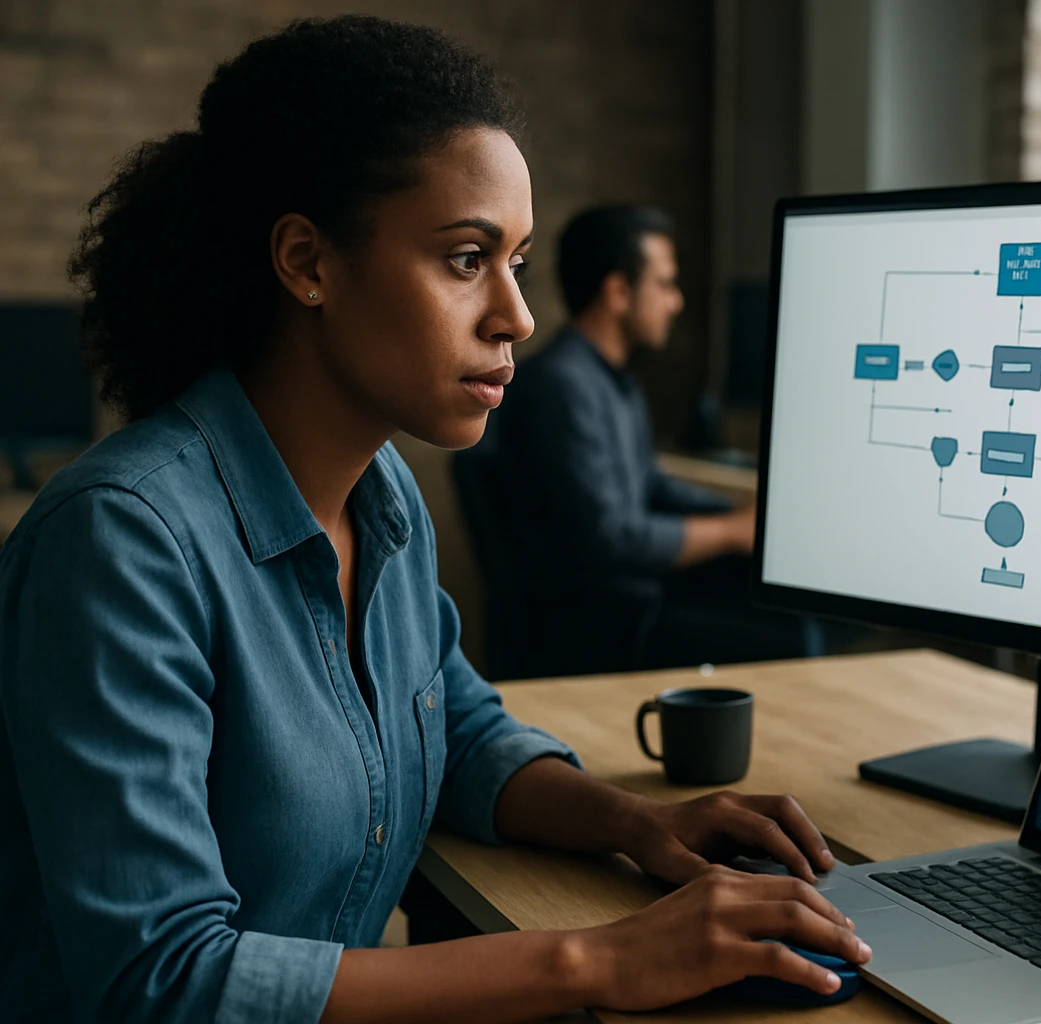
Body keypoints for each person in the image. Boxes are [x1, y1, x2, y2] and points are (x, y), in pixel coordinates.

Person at [0, 16, 867, 1023]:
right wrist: (597, 962)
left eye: (519, 263)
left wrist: (635, 820)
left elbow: (453, 729)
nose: (517, 316)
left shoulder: (385, 495)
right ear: (305, 261)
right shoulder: (123, 543)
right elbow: (165, 982)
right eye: (466, 259)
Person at [487, 205, 812, 675]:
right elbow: (612, 539)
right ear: (619, 291)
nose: (676, 301)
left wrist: (742, 519)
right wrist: (727, 533)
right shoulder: (562, 387)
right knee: (785, 631)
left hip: (628, 604)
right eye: (665, 284)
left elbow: (651, 485)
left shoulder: (611, 380)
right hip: (599, 624)